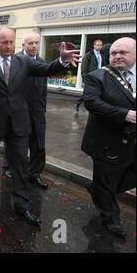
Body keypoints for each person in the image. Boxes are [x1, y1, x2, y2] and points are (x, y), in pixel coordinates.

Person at [0, 27, 81, 227]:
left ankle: (22, 206)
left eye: (11, 42)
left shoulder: (24, 61)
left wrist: (62, 61)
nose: (9, 46)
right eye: (4, 42)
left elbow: (46, 70)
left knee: (20, 164)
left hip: (19, 123)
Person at [82, 37, 136, 238]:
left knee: (123, 177)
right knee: (106, 180)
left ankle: (99, 190)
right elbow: (92, 102)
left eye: (123, 52)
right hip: (105, 142)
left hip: (131, 141)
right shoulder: (98, 77)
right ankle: (111, 219)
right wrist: (124, 114)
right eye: (114, 53)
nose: (117, 56)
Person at [3, 32, 50, 189]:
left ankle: (34, 174)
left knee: (39, 145)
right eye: (30, 43)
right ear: (23, 45)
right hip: (18, 112)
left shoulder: (42, 63)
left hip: (37, 112)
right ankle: (10, 168)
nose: (34, 46)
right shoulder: (14, 62)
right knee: (15, 144)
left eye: (37, 43)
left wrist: (42, 107)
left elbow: (43, 89)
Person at [75, 39, 106, 111]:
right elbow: (84, 68)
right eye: (98, 45)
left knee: (96, 92)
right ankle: (78, 103)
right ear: (94, 46)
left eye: (101, 45)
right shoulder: (88, 55)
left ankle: (96, 106)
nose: (99, 47)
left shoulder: (102, 56)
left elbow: (103, 66)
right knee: (89, 92)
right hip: (91, 77)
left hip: (99, 77)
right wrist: (85, 78)